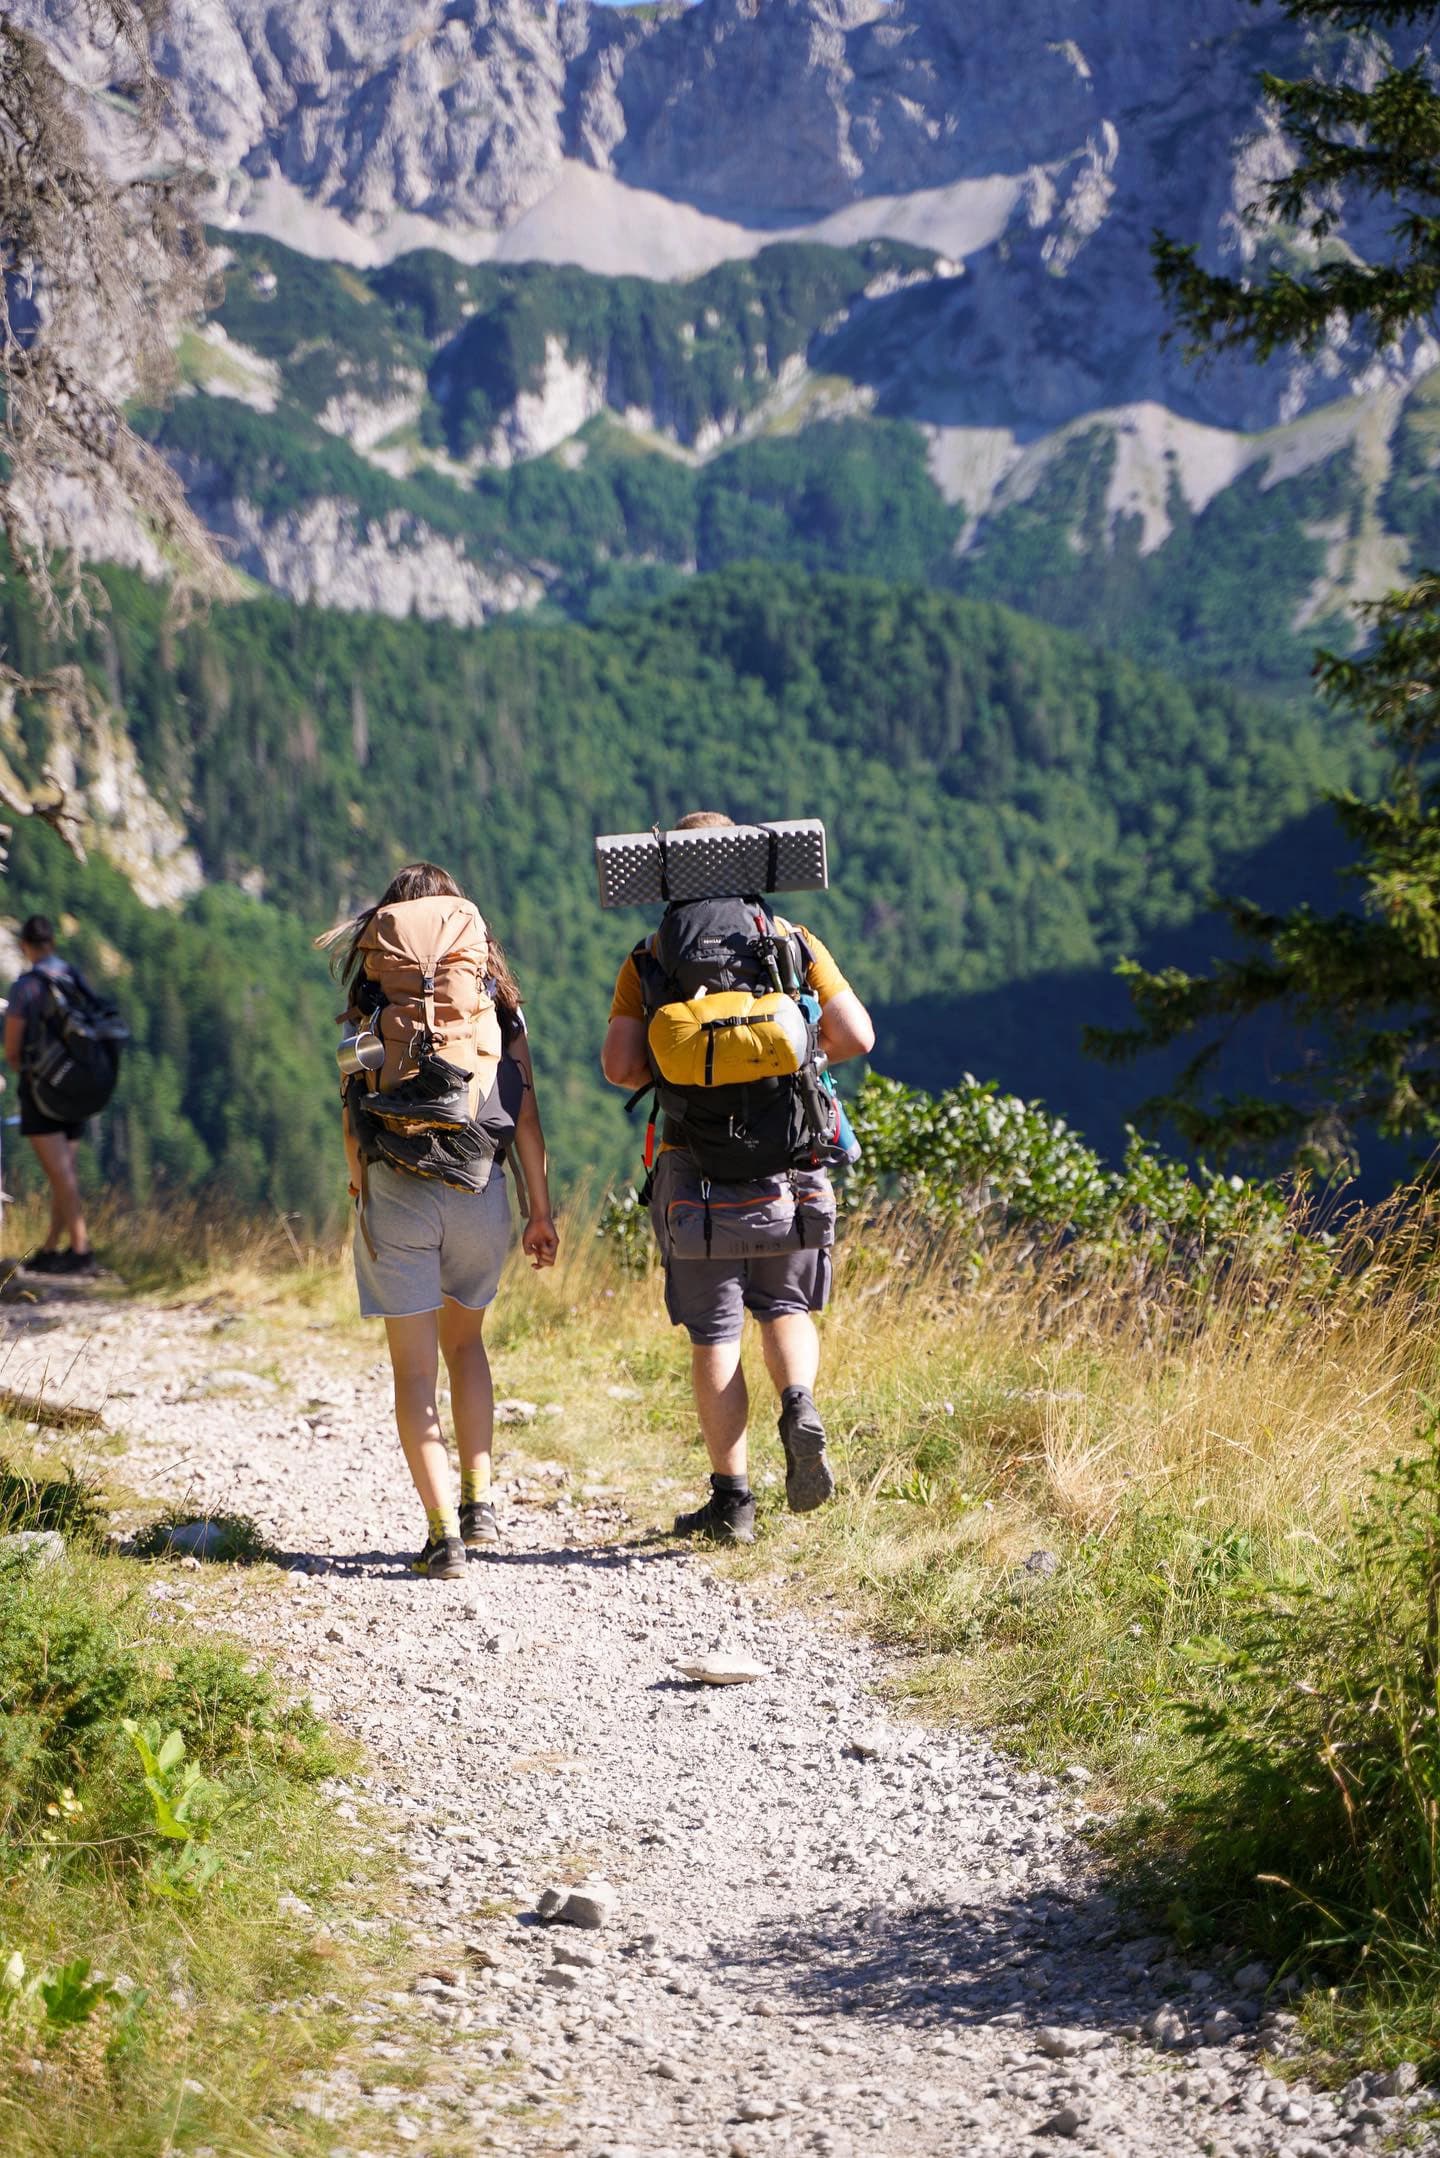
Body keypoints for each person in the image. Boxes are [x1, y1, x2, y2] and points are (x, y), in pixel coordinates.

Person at [601, 811, 875, 1545]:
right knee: (784, 1307)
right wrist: (789, 1053)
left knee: (715, 1333)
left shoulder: (652, 956)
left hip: (696, 1170)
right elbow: (857, 1035)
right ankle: (799, 1402)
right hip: (792, 1159)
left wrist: (692, 1061)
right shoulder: (789, 940)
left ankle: (733, 1502)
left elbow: (622, 1067)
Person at [326, 864, 559, 1580]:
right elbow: (524, 1114)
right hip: (481, 1190)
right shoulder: (494, 1004)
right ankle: (478, 1502)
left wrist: (360, 1187)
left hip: (398, 1193)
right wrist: (538, 1211)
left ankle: (440, 1539)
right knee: (468, 1348)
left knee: (413, 1371)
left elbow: (350, 1106)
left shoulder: (372, 997)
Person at [3, 914, 95, 1276]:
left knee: (59, 1173)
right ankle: (53, 1248)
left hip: (41, 1087)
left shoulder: (25, 987)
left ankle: (81, 1249)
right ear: (52, 944)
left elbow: (12, 1047)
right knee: (65, 1170)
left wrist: (22, 1070)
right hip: (78, 1085)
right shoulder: (73, 977)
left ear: (25, 947)